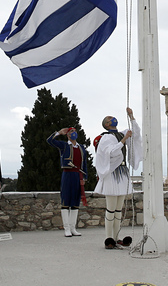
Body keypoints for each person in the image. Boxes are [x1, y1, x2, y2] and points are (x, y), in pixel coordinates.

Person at [93, 107, 141, 250]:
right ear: (107, 124)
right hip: (112, 173)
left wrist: (131, 116)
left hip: (122, 172)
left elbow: (136, 133)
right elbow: (112, 152)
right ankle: (109, 238)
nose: (112, 118)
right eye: (109, 118)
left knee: (119, 208)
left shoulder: (121, 134)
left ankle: (116, 237)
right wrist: (125, 140)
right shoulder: (106, 137)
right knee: (111, 208)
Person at [47, 127, 88, 237]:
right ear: (67, 135)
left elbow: (84, 164)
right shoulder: (64, 145)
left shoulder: (81, 147)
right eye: (71, 132)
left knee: (75, 202)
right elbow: (50, 141)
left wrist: (84, 177)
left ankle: (73, 227)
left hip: (78, 175)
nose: (73, 133)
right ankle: (66, 228)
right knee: (66, 201)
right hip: (68, 174)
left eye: (74, 131)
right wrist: (58, 132)